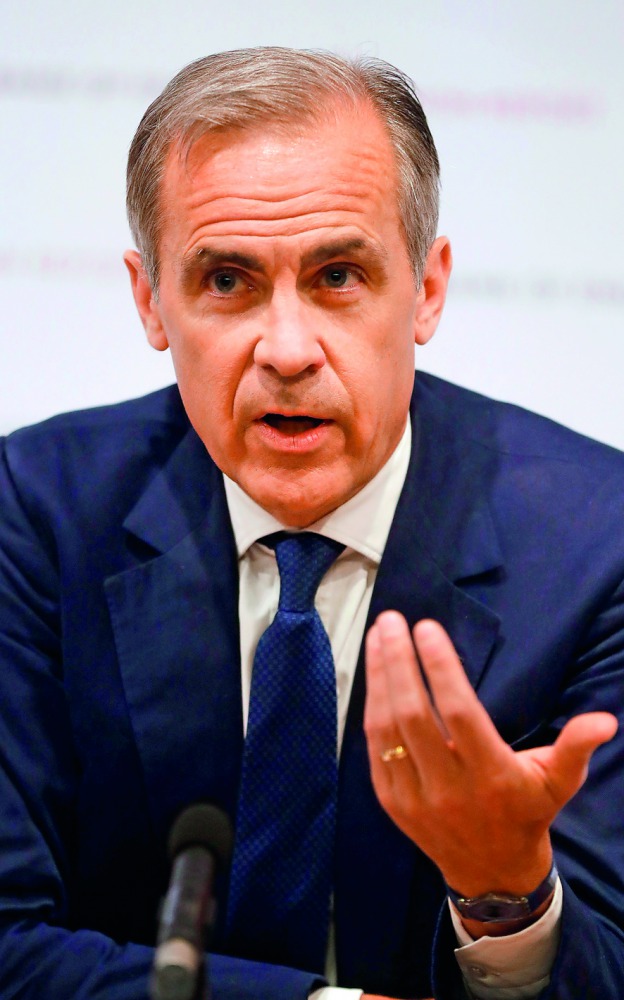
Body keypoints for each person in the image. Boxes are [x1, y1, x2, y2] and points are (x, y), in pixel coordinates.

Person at [0, 46, 623, 1000]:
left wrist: (508, 893)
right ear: (148, 299)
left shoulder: (596, 547)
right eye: (226, 282)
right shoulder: (38, 514)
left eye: (338, 276)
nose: (287, 350)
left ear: (428, 287)